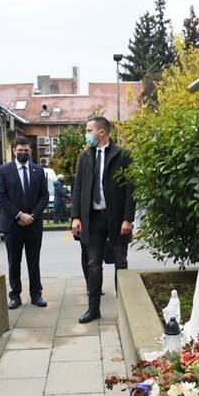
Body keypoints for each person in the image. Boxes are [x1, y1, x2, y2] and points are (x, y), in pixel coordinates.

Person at [71, 117, 135, 324]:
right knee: (93, 264)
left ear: (102, 132)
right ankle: (93, 309)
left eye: (89, 130)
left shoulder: (122, 155)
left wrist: (128, 218)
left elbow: (130, 189)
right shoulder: (85, 156)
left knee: (120, 263)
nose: (86, 134)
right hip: (93, 219)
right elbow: (78, 188)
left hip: (116, 219)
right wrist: (76, 217)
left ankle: (124, 309)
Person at [0, 136, 49, 310]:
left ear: (31, 151)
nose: (23, 153)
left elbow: (44, 196)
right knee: (14, 262)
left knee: (34, 262)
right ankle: (14, 295)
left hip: (33, 224)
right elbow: (1, 197)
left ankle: (36, 294)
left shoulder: (38, 171)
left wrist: (32, 215)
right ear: (14, 151)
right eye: (20, 150)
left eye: (26, 150)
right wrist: (19, 215)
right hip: (13, 225)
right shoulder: (4, 171)